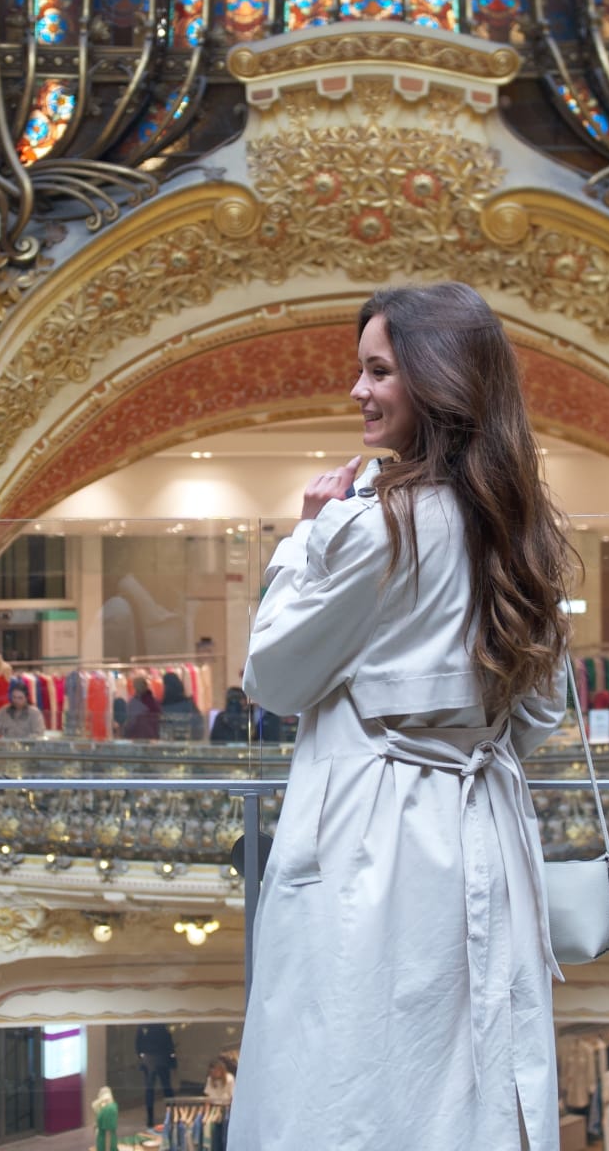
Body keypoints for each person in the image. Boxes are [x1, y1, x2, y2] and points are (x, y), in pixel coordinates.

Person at [231, 283, 576, 1150]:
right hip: (486, 828)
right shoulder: (522, 530)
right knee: (471, 1069)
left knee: (352, 1065)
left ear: (436, 380)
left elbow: (271, 676)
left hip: (373, 834)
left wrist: (304, 537)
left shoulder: (372, 528)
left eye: (378, 370)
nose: (357, 391)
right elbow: (537, 715)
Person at [135, 1023, 177, 1127]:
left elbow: (138, 1041)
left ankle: (152, 1118)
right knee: (166, 1088)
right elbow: (169, 1042)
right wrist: (172, 1059)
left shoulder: (146, 1026)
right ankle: (170, 1114)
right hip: (161, 1058)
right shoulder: (161, 1026)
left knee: (151, 1089)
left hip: (150, 1058)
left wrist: (141, 1055)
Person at [160, 671, 202, 741]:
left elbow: (164, 732)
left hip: (171, 745)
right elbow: (198, 726)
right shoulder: (189, 704)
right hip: (188, 743)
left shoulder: (165, 707)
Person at [92, 1086, 120, 1151]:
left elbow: (108, 1133)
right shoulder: (106, 1107)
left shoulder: (109, 1109)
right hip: (103, 1141)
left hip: (106, 1144)